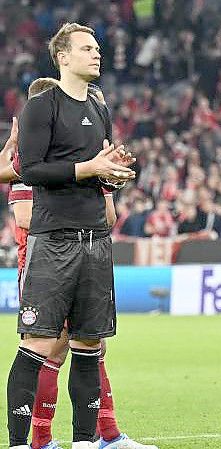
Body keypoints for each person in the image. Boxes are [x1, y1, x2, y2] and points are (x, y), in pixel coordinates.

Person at [0, 77, 155, 449]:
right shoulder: (36, 158)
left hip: (88, 250)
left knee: (91, 345)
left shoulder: (81, 160)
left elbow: (109, 214)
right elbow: (23, 213)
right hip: (42, 258)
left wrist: (106, 179)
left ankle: (103, 435)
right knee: (50, 347)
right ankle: (39, 438)